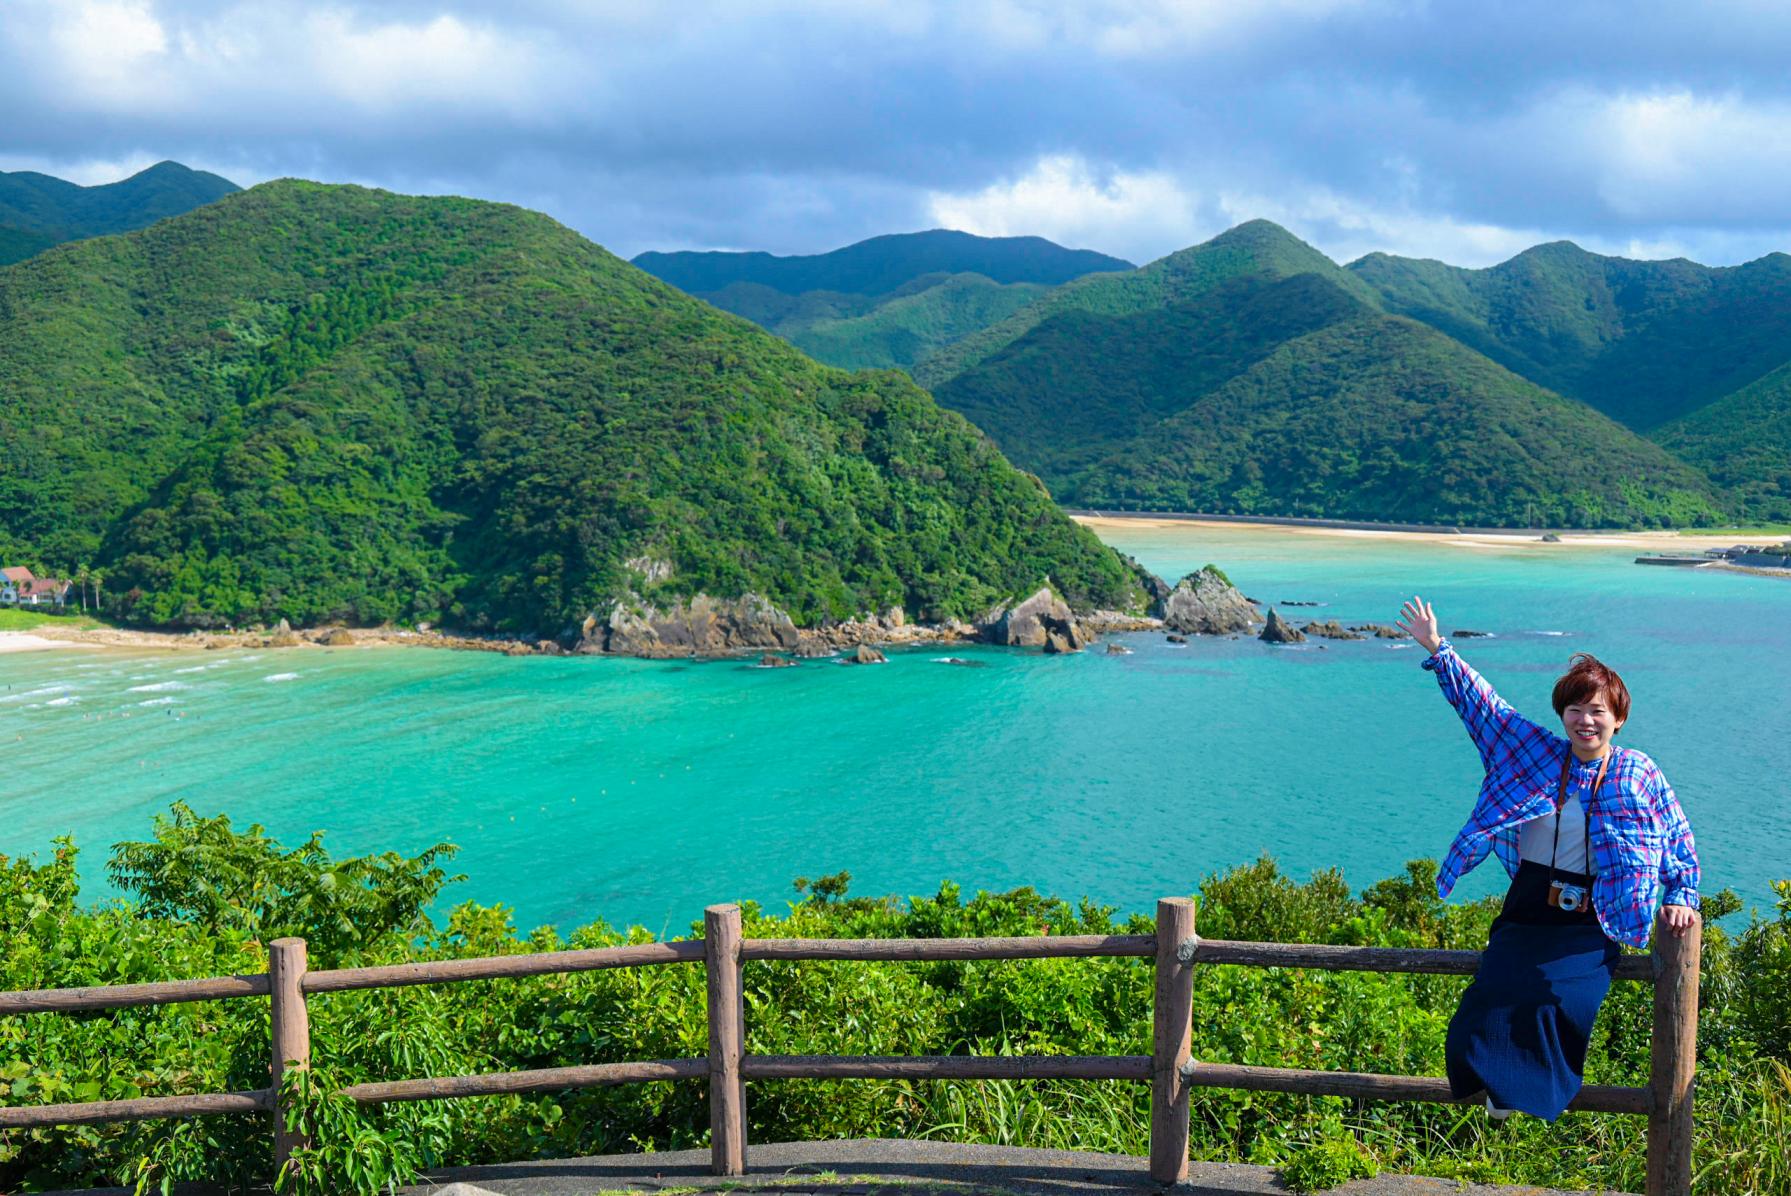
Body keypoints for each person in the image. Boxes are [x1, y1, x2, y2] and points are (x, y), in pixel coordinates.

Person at [1393, 596, 1699, 1122]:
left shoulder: (1638, 773)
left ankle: (1527, 1096)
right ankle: (1496, 1089)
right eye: (1576, 709)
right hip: (1531, 903)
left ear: (1619, 718)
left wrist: (1681, 897)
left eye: (1598, 711)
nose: (1586, 720)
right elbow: (1484, 706)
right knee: (1494, 989)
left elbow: (1678, 839)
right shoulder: (1531, 750)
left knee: (1564, 999)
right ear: (1561, 713)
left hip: (1593, 915)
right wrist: (1438, 648)